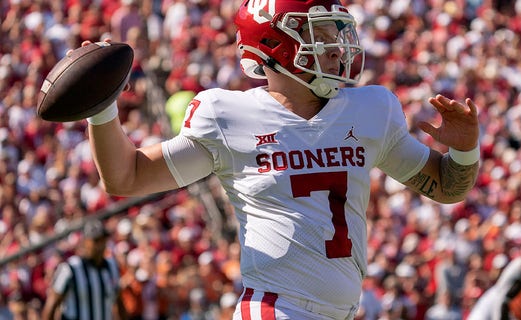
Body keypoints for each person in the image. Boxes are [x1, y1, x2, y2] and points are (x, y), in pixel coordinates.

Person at [71, 0, 480, 318]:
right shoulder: (227, 115)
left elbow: (445, 186)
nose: (337, 50)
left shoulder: (371, 109)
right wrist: (102, 107)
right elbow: (128, 176)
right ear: (273, 44)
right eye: (320, 33)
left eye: (336, 33)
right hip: (273, 310)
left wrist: (464, 149)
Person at [41, 219, 127, 320]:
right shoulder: (69, 269)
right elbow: (51, 306)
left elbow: (119, 303)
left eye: (102, 240)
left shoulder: (112, 267)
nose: (100, 245)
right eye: (95, 241)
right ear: (85, 242)